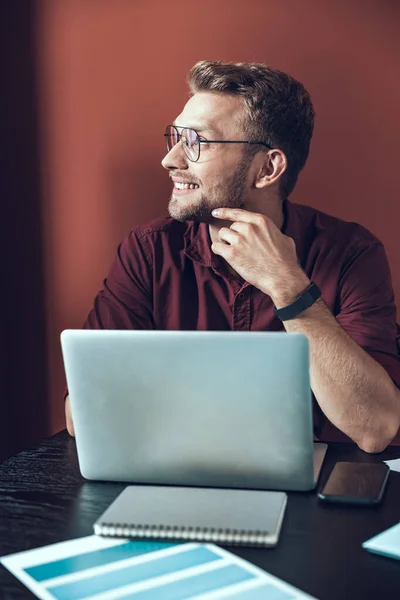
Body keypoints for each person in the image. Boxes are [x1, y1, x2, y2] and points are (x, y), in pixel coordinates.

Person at [65, 60, 400, 452]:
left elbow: (375, 427)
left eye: (196, 142)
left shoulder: (350, 254)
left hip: (314, 499)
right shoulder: (148, 250)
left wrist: (290, 290)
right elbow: (81, 414)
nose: (170, 160)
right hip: (175, 476)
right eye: (175, 137)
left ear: (268, 168)